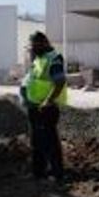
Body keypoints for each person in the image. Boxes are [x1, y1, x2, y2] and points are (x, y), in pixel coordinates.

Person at [19, 31, 68, 181]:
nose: (32, 50)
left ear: (42, 44)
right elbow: (33, 81)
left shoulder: (53, 59)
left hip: (47, 108)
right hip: (35, 107)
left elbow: (59, 82)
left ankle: (57, 173)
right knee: (37, 142)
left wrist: (48, 101)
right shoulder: (38, 59)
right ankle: (38, 172)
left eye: (34, 46)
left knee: (49, 142)